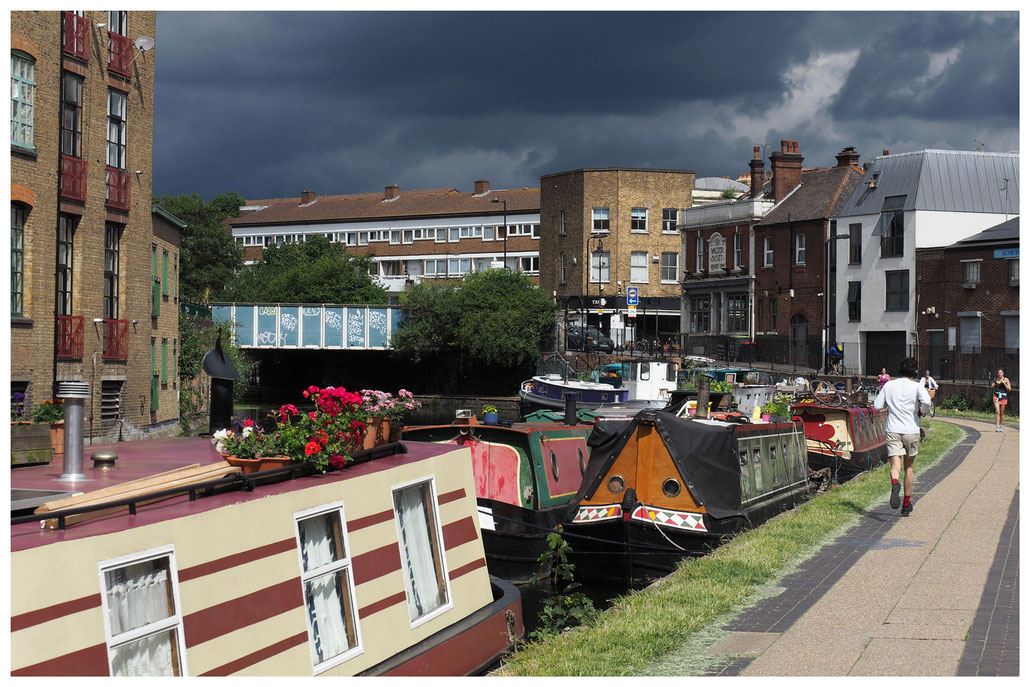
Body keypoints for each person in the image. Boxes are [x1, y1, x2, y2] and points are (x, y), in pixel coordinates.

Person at [873, 357, 931, 516]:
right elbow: (926, 402)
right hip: (911, 430)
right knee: (909, 467)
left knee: (895, 466)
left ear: (900, 370)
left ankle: (894, 482)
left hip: (893, 429)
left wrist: (889, 405)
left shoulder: (889, 385)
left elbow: (877, 406)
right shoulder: (917, 386)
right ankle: (906, 505)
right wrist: (922, 411)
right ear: (915, 372)